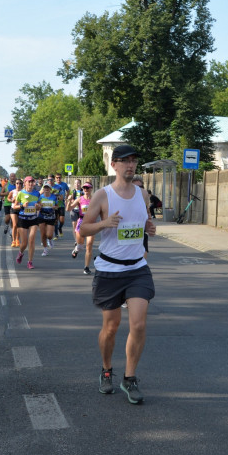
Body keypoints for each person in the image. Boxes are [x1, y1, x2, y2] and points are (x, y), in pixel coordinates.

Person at [79, 144, 156, 405]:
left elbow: (142, 222)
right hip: (109, 269)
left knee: (138, 324)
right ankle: (106, 369)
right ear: (114, 165)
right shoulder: (102, 195)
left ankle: (130, 378)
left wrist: (149, 227)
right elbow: (84, 230)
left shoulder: (142, 194)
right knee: (111, 327)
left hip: (137, 269)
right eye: (124, 161)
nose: (130, 165)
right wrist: (104, 223)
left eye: (133, 161)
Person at [13, 176, 41, 269]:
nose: (30, 184)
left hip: (33, 219)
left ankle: (30, 261)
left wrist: (38, 206)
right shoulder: (20, 193)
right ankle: (21, 253)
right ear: (24, 183)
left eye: (32, 182)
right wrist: (22, 205)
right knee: (24, 243)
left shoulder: (37, 193)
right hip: (23, 219)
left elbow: (40, 205)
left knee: (32, 240)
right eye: (28, 182)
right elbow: (14, 206)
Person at [69, 182, 95, 274]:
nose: (86, 190)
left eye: (87, 188)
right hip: (81, 223)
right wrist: (68, 201)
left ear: (91, 189)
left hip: (91, 223)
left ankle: (86, 267)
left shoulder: (95, 200)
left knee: (89, 245)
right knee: (80, 245)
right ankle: (76, 249)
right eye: (84, 188)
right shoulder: (80, 199)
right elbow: (69, 209)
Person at [38, 183, 58, 255]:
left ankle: (50, 239)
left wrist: (54, 207)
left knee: (49, 235)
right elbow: (37, 207)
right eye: (45, 188)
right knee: (43, 234)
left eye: (48, 188)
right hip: (41, 216)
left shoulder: (54, 197)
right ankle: (45, 249)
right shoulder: (40, 197)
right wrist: (39, 206)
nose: (46, 189)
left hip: (51, 216)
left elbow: (57, 206)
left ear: (50, 189)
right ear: (43, 189)